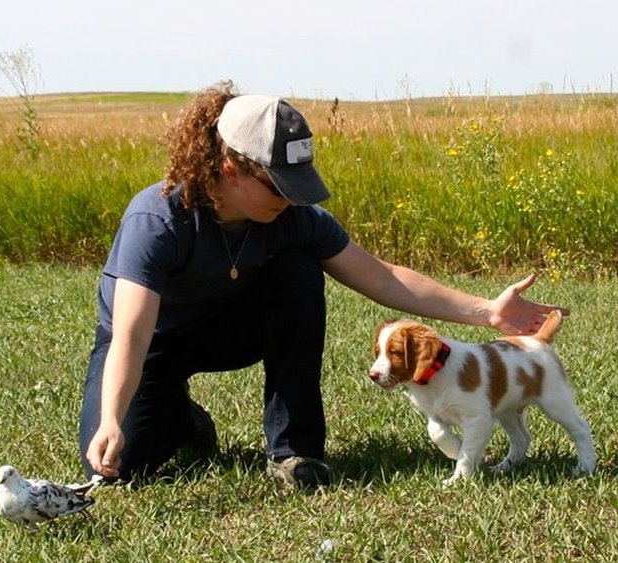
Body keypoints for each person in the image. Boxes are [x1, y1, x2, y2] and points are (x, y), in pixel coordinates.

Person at [79, 81, 568, 489]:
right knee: (124, 466)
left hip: (231, 331)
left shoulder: (293, 220)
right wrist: (112, 421)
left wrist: (487, 312)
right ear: (229, 168)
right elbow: (132, 335)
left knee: (298, 270)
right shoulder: (158, 218)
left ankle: (295, 452)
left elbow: (383, 276)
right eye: (278, 186)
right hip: (155, 345)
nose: (290, 201)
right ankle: (185, 421)